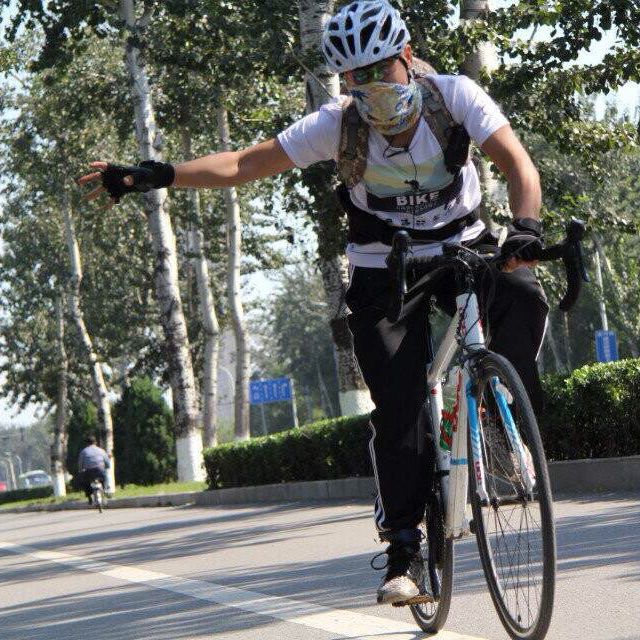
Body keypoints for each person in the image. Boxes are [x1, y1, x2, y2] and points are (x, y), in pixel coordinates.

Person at [78, 0, 547, 606]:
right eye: (357, 77)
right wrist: (158, 174)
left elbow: (517, 163)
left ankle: (505, 424)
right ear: (345, 81)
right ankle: (405, 550)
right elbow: (244, 164)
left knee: (521, 292)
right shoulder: (338, 125)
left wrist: (526, 227)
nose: (372, 86)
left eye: (381, 69)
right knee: (400, 405)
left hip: (463, 244)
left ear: (407, 57)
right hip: (384, 266)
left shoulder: (454, 96)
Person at [77, 435, 110, 504]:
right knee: (105, 478)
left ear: (87, 443)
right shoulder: (101, 450)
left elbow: (80, 463)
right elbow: (107, 461)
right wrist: (107, 466)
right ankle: (106, 490)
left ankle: (89, 496)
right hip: (100, 470)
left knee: (85, 482)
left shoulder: (84, 451)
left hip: (89, 471)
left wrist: (80, 470)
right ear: (95, 442)